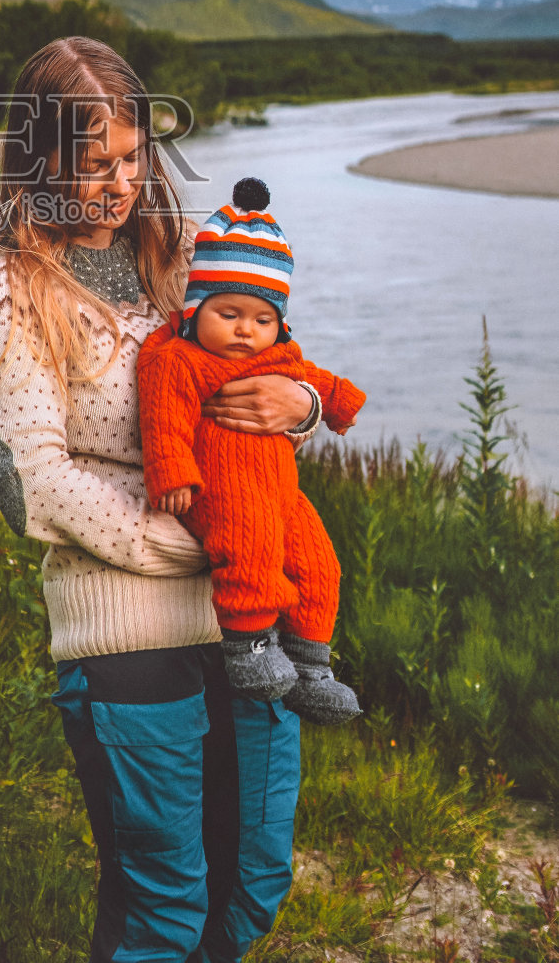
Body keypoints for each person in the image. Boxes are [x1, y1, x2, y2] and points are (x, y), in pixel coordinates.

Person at [0, 37, 326, 963]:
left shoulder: (177, 262)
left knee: (251, 885)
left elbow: (258, 375)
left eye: (132, 160)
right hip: (123, 637)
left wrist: (305, 406)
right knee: (160, 909)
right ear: (40, 159)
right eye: (92, 166)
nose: (117, 185)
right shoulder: (15, 282)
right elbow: (32, 486)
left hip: (241, 622)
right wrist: (201, 544)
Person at [137, 176, 365, 725]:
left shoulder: (277, 356)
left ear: (279, 324)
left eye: (263, 319)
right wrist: (171, 474)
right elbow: (162, 418)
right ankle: (250, 646)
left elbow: (312, 378)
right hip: (220, 491)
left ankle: (311, 666)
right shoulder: (180, 360)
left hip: (280, 492)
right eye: (229, 314)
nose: (246, 331)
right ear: (196, 309)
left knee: (319, 563)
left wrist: (336, 401)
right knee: (250, 548)